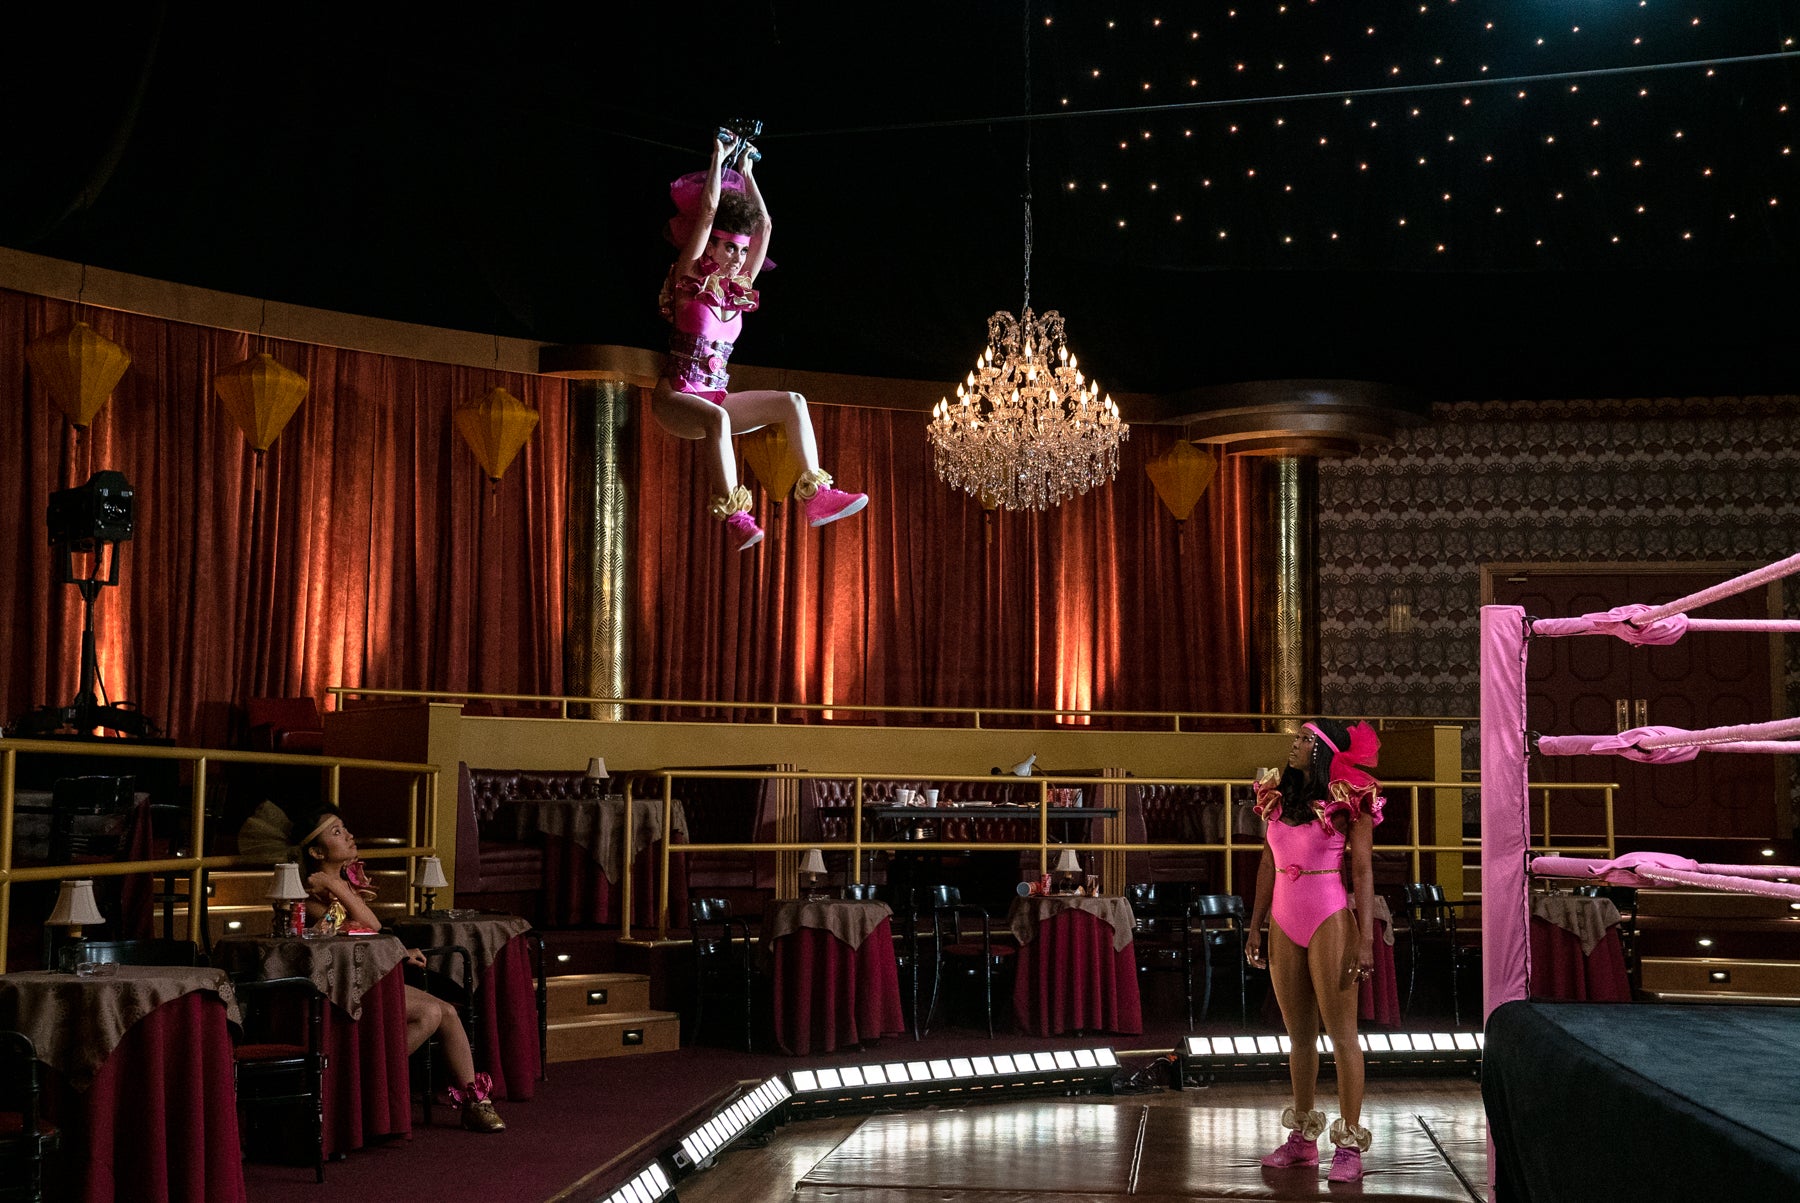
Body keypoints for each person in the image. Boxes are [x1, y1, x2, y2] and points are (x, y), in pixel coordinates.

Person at [654, 131, 867, 551]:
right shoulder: (688, 280)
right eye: (729, 247)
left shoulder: (739, 288)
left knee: (793, 401)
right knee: (719, 421)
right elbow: (709, 209)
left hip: (713, 395)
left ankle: (817, 495)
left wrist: (748, 171)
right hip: (674, 398)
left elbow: (766, 224)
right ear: (710, 244)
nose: (737, 257)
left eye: (742, 250)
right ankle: (734, 516)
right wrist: (718, 157)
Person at [296, 810, 507, 1133]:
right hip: (339, 989)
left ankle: (475, 1102)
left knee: (446, 1012)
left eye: (345, 827)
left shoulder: (346, 886)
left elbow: (367, 934)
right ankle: (367, 1087)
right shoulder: (307, 896)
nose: (349, 835)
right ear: (316, 851)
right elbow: (371, 926)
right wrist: (333, 887)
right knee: (431, 1014)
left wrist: (399, 952)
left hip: (369, 978)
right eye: (337, 832)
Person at [1244, 719, 1383, 1183]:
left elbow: (1361, 873)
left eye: (1305, 740)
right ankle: (1303, 1140)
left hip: (1329, 917)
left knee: (1343, 1034)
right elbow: (1268, 862)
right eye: (1296, 737)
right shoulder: (1275, 796)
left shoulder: (1350, 801)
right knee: (1299, 1036)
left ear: (1322, 751)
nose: (1295, 744)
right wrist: (1255, 925)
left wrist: (1364, 938)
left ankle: (1348, 1146)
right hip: (1284, 918)